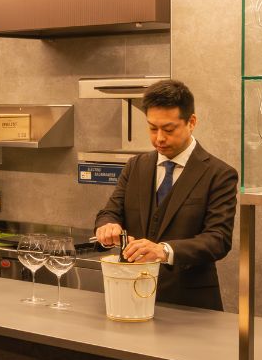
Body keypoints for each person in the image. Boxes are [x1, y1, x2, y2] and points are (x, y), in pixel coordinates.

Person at [91, 79, 238, 311]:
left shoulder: (219, 174)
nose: (159, 138)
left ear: (191, 122)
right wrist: (107, 226)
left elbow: (218, 240)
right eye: (152, 128)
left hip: (190, 306)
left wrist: (164, 250)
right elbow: (110, 212)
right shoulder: (135, 166)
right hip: (131, 297)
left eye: (169, 130)